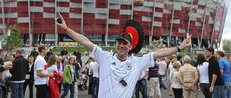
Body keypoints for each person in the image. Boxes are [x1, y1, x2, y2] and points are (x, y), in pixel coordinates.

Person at [56, 13, 191, 98]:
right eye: (119, 42)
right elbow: (85, 41)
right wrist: (66, 30)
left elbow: (159, 53)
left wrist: (179, 47)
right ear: (116, 44)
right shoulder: (105, 56)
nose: (121, 45)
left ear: (130, 46)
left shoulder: (137, 61)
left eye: (125, 43)